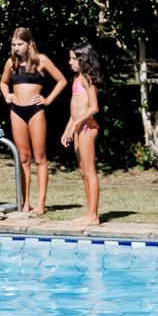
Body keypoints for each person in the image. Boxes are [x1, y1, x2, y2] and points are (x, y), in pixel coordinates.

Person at [0, 26, 67, 217]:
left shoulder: (41, 60)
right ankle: (25, 201)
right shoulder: (10, 63)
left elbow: (62, 80)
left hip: (36, 111)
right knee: (23, 158)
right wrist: (7, 95)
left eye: (20, 44)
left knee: (40, 157)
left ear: (30, 44)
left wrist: (48, 99)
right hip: (17, 111)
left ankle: (40, 203)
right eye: (14, 45)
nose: (16, 48)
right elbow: (3, 83)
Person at [61, 43, 101, 226]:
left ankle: (93, 216)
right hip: (78, 128)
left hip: (86, 128)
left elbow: (94, 108)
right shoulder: (77, 79)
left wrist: (75, 125)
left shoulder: (87, 78)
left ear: (83, 59)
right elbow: (74, 109)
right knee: (83, 171)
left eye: (73, 59)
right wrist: (68, 128)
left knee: (90, 171)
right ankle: (89, 213)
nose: (70, 62)